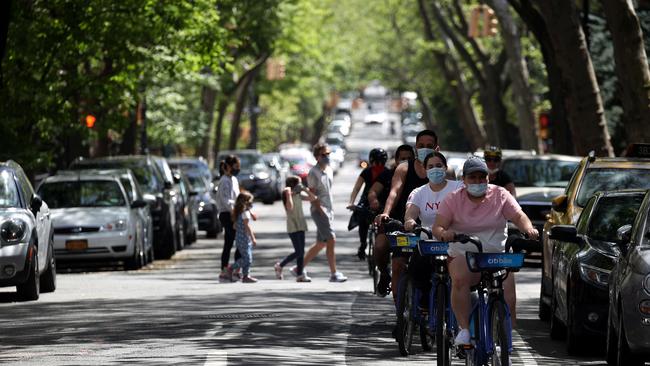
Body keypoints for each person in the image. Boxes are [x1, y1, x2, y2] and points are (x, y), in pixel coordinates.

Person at [431, 157, 538, 346]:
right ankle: (464, 330)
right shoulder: (453, 199)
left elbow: (519, 216)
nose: (478, 181)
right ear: (464, 180)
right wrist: (445, 234)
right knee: (460, 280)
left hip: (497, 254)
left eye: (482, 177)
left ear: (488, 178)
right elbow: (438, 227)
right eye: (473, 177)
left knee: (508, 297)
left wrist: (528, 229)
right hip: (465, 253)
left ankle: (505, 343)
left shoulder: (501, 194)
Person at [374, 130, 438, 297]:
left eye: (429, 146)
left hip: (434, 227)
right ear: (415, 148)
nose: (425, 149)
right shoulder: (403, 168)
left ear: (437, 148)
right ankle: (401, 314)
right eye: (421, 146)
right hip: (404, 224)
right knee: (394, 261)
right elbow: (394, 192)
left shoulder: (443, 169)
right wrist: (386, 213)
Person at [302, 142, 348, 282]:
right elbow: (312, 195)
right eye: (324, 154)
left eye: (328, 154)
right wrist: (321, 210)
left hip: (328, 210)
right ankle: (333, 274)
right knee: (331, 239)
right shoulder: (313, 173)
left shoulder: (328, 170)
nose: (327, 156)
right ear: (317, 157)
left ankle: (299, 267)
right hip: (320, 211)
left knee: (321, 243)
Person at [404, 152, 463, 233]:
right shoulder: (418, 193)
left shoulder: (458, 187)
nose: (435, 169)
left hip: (454, 241)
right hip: (427, 241)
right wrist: (410, 221)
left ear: (445, 167)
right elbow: (410, 215)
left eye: (439, 166)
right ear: (425, 170)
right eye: (430, 167)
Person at [347, 148, 388, 260]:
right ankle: (363, 244)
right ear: (371, 161)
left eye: (381, 162)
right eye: (376, 162)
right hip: (366, 200)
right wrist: (351, 203)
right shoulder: (366, 172)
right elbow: (356, 188)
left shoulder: (388, 172)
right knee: (362, 219)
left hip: (383, 201)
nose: (378, 164)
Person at [274, 176, 317, 282]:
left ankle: (299, 275)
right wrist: (289, 193)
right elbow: (290, 207)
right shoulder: (287, 194)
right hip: (292, 225)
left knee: (301, 252)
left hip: (301, 224)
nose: (300, 186)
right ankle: (280, 265)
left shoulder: (299, 195)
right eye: (299, 184)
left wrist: (305, 189)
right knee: (299, 251)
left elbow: (313, 198)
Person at [217, 155, 242, 281]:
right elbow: (225, 200)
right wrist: (233, 212)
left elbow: (237, 197)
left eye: (238, 167)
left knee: (239, 240)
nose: (237, 170)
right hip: (227, 214)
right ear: (227, 167)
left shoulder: (234, 180)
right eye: (235, 167)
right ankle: (225, 269)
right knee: (230, 240)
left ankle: (236, 269)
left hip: (235, 213)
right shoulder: (224, 181)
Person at [226, 192, 258, 283]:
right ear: (245, 202)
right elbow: (248, 227)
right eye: (250, 201)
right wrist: (253, 238)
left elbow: (234, 226)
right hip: (244, 239)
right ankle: (231, 268)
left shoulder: (239, 212)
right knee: (247, 259)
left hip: (240, 238)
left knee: (248, 257)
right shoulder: (244, 213)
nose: (251, 203)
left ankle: (246, 276)